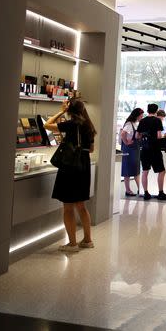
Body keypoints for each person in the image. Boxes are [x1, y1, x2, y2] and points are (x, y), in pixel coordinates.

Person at [44, 98, 96, 253]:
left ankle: (72, 243)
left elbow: (47, 125)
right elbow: (91, 149)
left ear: (70, 110)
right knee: (81, 206)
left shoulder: (71, 124)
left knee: (67, 207)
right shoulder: (89, 126)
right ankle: (87, 240)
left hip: (70, 168)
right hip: (83, 167)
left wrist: (61, 111)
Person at [136, 104, 166, 201]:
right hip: (154, 149)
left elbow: (137, 136)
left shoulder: (142, 121)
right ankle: (161, 193)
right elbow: (158, 136)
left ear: (147, 110)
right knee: (161, 171)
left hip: (144, 150)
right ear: (156, 111)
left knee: (145, 171)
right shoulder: (157, 120)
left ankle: (145, 193)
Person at [120, 108, 144, 196]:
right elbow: (123, 133)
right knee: (129, 170)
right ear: (137, 115)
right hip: (129, 150)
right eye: (141, 115)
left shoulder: (135, 124)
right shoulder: (129, 124)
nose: (142, 117)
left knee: (135, 170)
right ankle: (130, 190)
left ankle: (138, 189)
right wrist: (126, 142)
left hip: (134, 149)